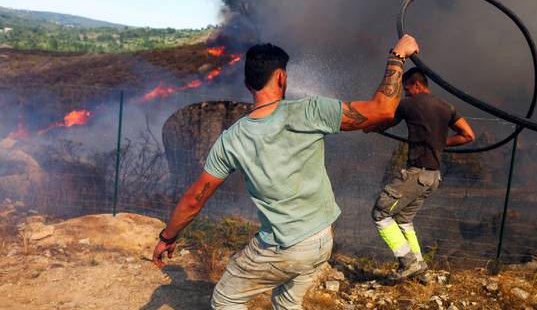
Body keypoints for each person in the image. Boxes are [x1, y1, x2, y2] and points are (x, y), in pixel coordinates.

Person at [151, 35, 419, 310]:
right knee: (287, 302)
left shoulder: (231, 139)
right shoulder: (311, 110)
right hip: (322, 240)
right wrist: (397, 57)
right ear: (281, 77)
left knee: (225, 299)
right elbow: (383, 110)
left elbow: (196, 198)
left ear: (247, 85)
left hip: (284, 247)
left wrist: (167, 238)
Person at [367, 67, 475, 279]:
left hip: (417, 174)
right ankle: (420, 269)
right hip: (433, 177)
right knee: (404, 220)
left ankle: (408, 263)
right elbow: (468, 135)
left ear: (416, 85)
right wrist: (440, 144)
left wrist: (370, 126)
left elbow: (385, 120)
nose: (406, 93)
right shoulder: (447, 107)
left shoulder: (409, 104)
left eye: (407, 89)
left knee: (380, 213)